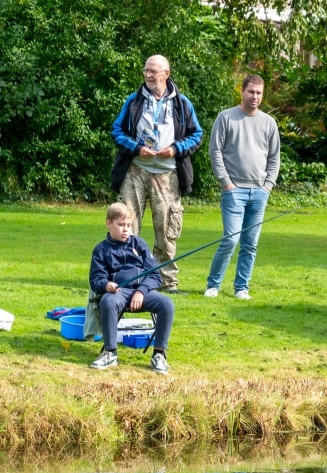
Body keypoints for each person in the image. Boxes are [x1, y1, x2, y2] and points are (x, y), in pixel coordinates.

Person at [110, 55, 204, 292]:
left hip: (167, 174)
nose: (148, 75)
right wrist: (136, 148)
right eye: (146, 71)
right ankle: (127, 278)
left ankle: (166, 282)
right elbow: (117, 131)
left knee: (166, 231)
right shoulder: (133, 101)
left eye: (153, 71)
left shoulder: (183, 103)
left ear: (166, 74)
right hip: (135, 170)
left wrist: (175, 149)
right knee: (127, 226)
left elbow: (196, 135)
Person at [205, 75, 282, 301]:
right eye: (251, 92)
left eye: (259, 93)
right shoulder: (226, 117)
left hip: (259, 191)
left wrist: (268, 186)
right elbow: (215, 151)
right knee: (230, 239)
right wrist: (226, 182)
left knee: (250, 243)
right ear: (242, 91)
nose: (254, 96)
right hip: (234, 191)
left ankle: (241, 288)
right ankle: (213, 284)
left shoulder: (269, 122)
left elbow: (274, 157)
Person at [89, 203, 175, 373]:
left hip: (142, 292)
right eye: (121, 225)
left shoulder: (139, 244)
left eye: (129, 225)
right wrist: (107, 285)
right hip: (117, 293)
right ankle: (110, 353)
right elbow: (96, 280)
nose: (126, 229)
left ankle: (159, 355)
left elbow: (155, 275)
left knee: (166, 303)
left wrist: (141, 291)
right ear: (109, 223)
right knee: (108, 302)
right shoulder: (100, 250)